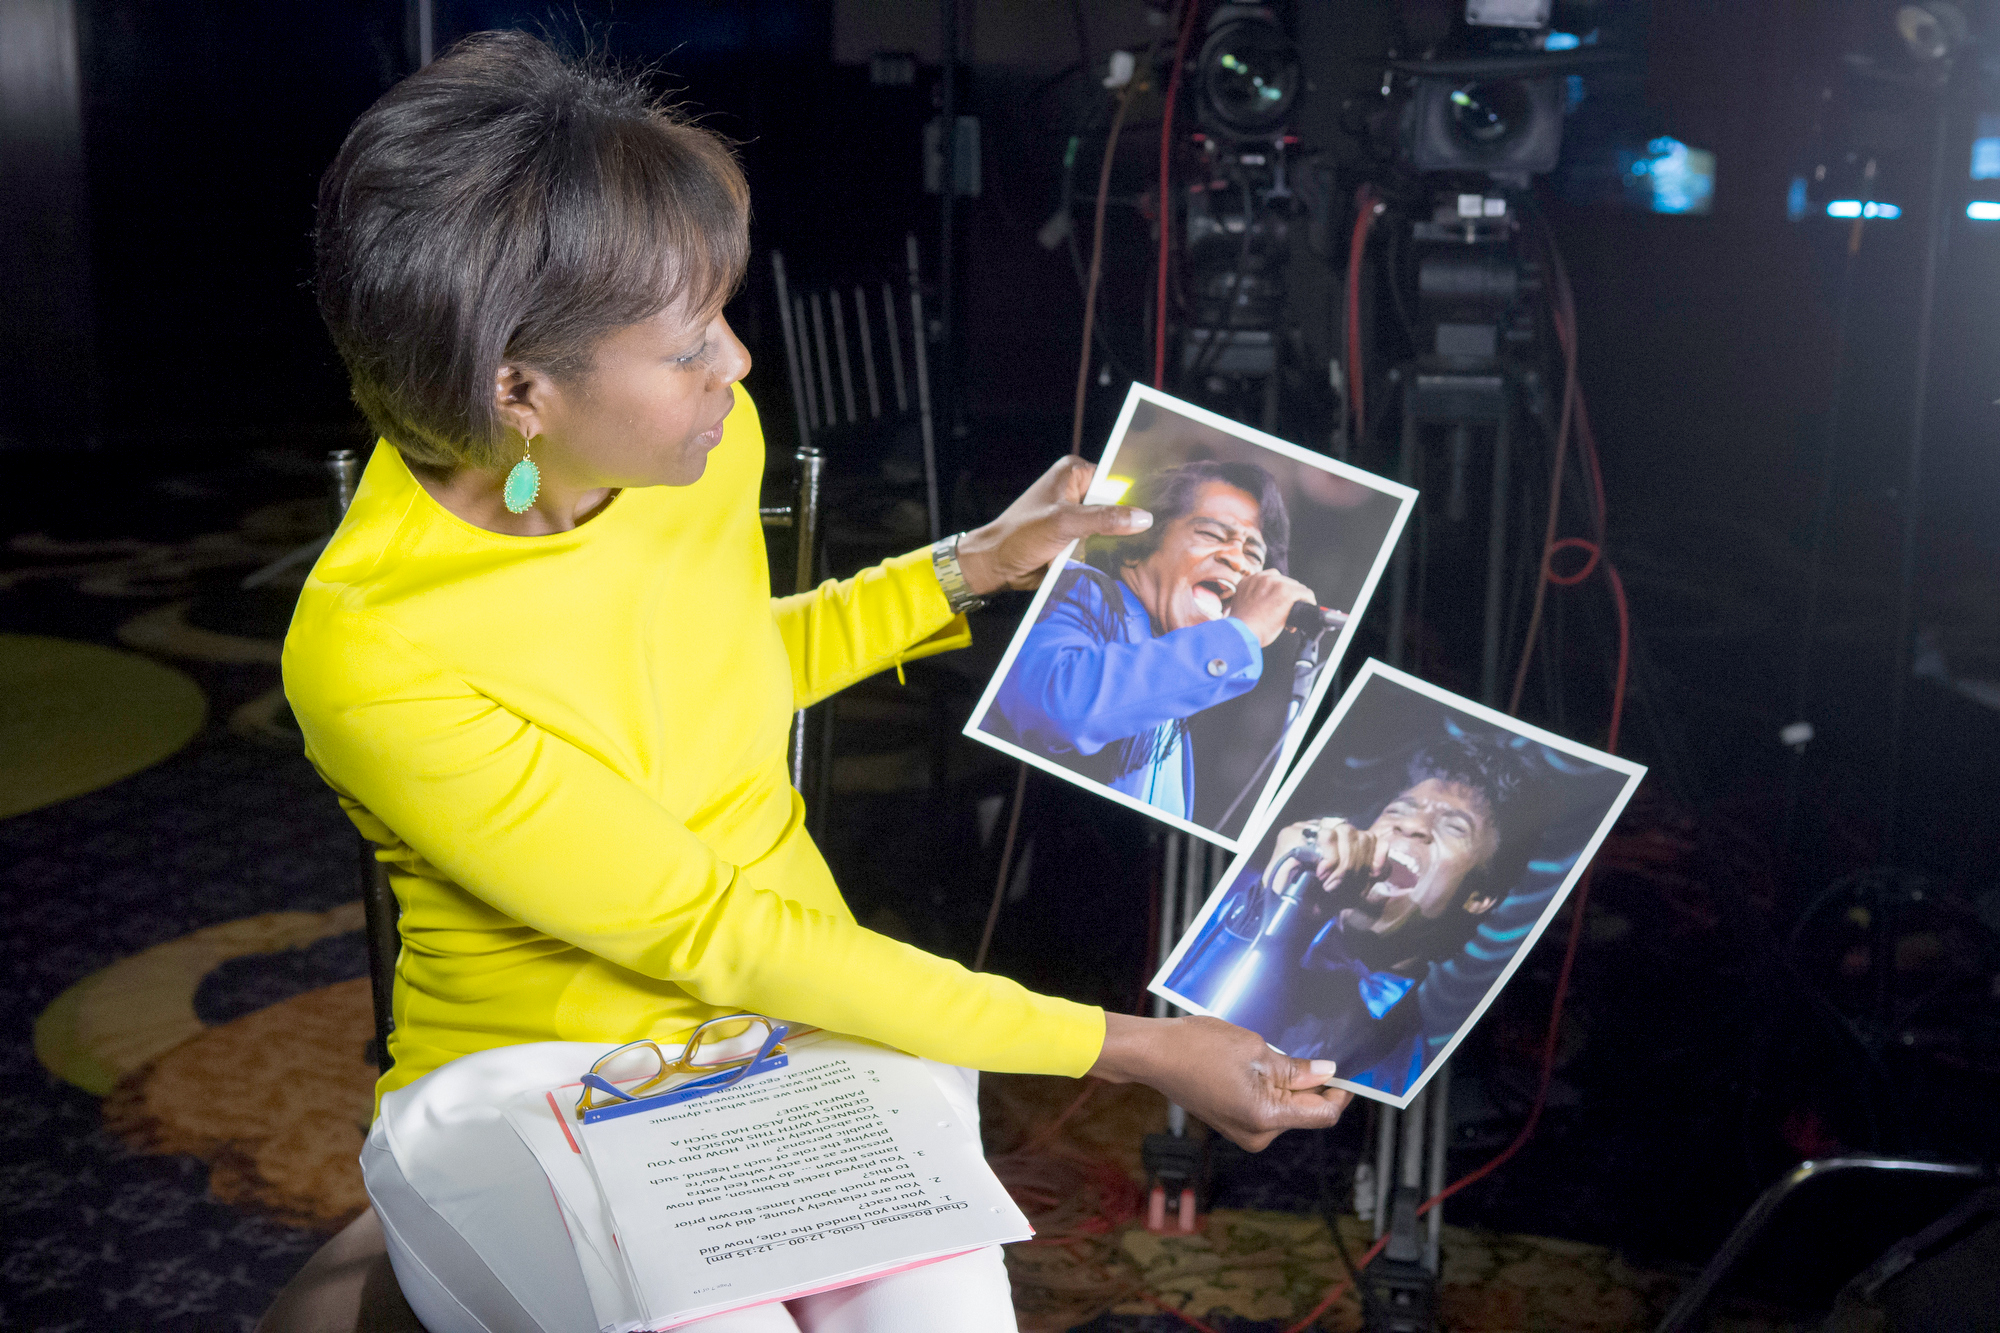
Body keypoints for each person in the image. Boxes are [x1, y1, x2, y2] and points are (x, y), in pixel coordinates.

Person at [263, 32, 1351, 1333]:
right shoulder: (374, 643)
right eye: (684, 346)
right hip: (539, 1077)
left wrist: (975, 565)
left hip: (795, 1028)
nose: (737, 364)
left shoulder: (697, 454)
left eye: (722, 313)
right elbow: (711, 935)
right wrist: (1132, 1048)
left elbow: (712, 673)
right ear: (520, 391)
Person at [1185, 733, 1533, 1094]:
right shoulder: (1238, 899)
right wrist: (1278, 911)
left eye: (1454, 827)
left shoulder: (1406, 1068)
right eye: (1398, 810)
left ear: (1479, 897)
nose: (1410, 826)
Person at [984, 460, 1321, 820]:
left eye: (1254, 554)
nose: (1238, 560)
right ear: (1135, 547)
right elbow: (1058, 707)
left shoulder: (1170, 704)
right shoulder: (1077, 586)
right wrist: (1241, 635)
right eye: (1211, 534)